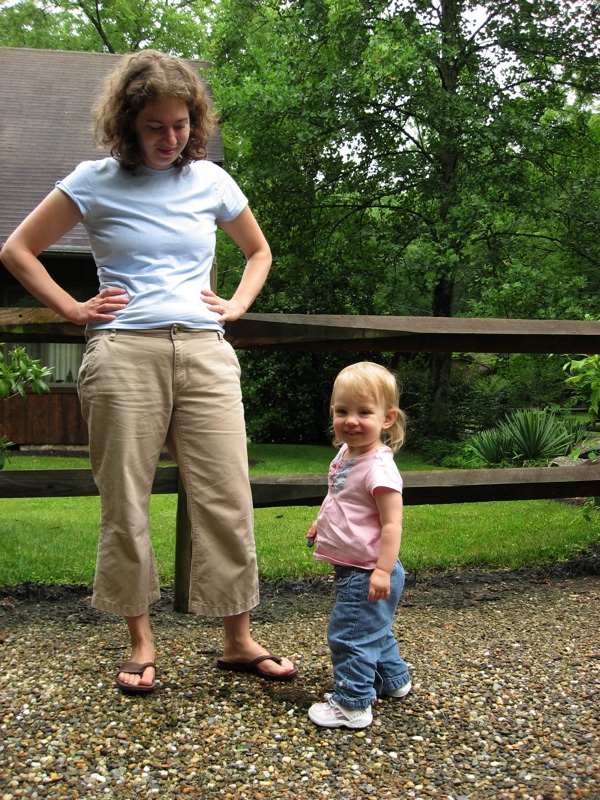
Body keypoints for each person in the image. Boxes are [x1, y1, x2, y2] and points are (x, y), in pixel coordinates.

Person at [0, 49, 297, 692]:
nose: (172, 138)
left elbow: (258, 251)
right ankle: (140, 640)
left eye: (183, 124)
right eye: (156, 126)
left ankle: (237, 638)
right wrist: (74, 308)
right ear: (128, 125)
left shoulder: (212, 182)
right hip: (122, 355)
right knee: (125, 500)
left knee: (226, 494)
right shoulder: (93, 179)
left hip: (203, 350)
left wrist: (238, 305)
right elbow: (18, 249)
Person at [306, 361, 411, 728]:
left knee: (350, 634)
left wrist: (382, 570)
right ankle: (394, 680)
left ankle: (352, 703)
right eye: (342, 411)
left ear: (387, 418)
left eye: (364, 412)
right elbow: (337, 495)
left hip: (368, 570)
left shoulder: (379, 469)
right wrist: (321, 523)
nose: (351, 420)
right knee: (372, 628)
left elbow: (391, 523)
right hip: (358, 567)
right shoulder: (347, 453)